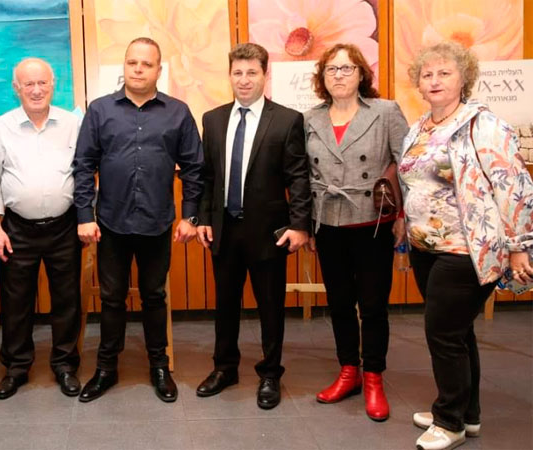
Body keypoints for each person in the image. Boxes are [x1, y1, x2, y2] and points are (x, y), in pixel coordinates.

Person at [399, 41, 533, 450]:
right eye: (427, 74)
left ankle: (449, 422)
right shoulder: (420, 127)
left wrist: (519, 245)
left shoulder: (484, 125)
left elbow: (515, 187)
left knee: (442, 333)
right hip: (426, 248)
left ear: (464, 78)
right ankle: (467, 414)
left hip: (467, 250)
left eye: (445, 73)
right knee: (457, 332)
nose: (434, 80)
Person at [73, 37, 203, 403]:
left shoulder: (178, 112)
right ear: (124, 65)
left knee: (154, 296)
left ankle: (159, 366)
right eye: (132, 62)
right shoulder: (100, 110)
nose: (138, 69)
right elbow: (83, 165)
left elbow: (194, 168)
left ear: (159, 69)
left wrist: (190, 215)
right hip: (110, 223)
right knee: (112, 299)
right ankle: (106, 368)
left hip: (157, 223)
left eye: (147, 64)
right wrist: (84, 215)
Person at [195, 42, 311, 410]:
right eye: (238, 72)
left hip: (269, 233)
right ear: (229, 75)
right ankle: (224, 368)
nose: (244, 80)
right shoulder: (213, 119)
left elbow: (298, 177)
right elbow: (207, 176)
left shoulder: (287, 120)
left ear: (265, 74)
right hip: (224, 229)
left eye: (252, 72)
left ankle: (270, 374)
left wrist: (300, 225)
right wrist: (202, 219)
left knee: (270, 307)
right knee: (225, 304)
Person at [302, 43, 409, 421]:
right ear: (322, 77)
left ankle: (374, 376)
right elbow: (304, 177)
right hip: (328, 222)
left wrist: (403, 216)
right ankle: (349, 371)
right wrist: (307, 225)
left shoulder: (385, 112)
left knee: (373, 305)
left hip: (372, 223)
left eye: (347, 68)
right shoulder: (310, 118)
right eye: (331, 69)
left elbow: (407, 166)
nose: (339, 75)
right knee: (340, 303)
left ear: (362, 73)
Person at [0, 58, 82, 399]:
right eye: (29, 84)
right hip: (17, 229)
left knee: (67, 300)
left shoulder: (72, 124)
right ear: (17, 89)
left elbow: (85, 174)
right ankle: (16, 368)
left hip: (64, 226)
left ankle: (65, 365)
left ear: (53, 85)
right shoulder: (0, 128)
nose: (37, 90)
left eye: (43, 83)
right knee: (16, 302)